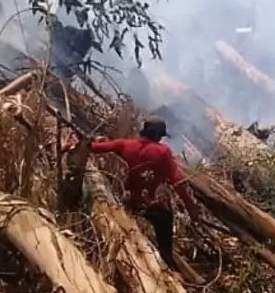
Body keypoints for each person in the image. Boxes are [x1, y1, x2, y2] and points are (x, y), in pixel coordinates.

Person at [70, 115, 202, 272]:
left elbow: (94, 147)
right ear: (158, 135)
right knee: (165, 218)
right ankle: (166, 262)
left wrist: (72, 145)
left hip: (124, 201)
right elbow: (177, 181)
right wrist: (191, 206)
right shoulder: (163, 152)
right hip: (146, 205)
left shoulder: (125, 144)